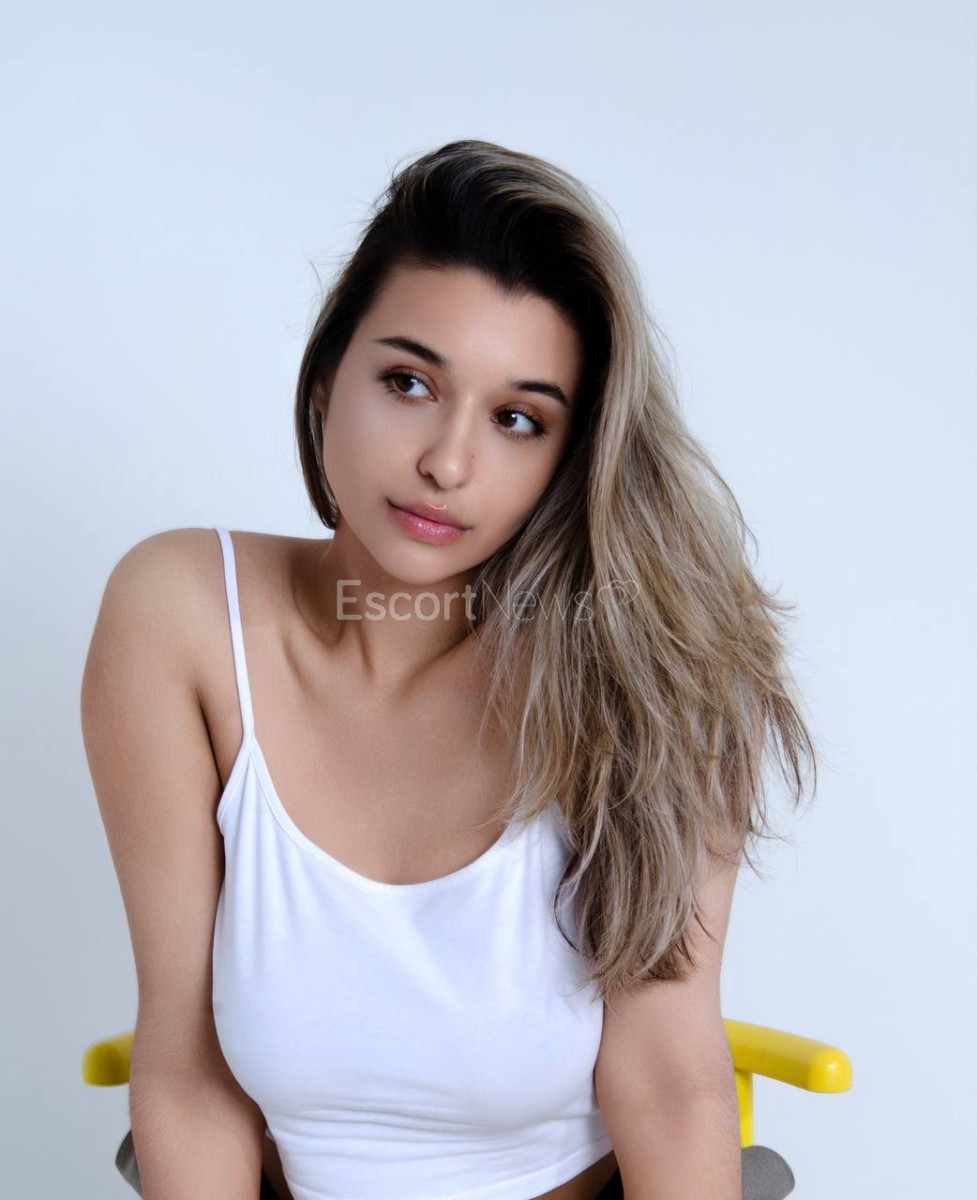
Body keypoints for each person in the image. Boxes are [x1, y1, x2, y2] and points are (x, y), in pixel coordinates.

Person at [82, 139, 810, 1200]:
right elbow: (189, 1070)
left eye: (517, 419)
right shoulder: (183, 616)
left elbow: (667, 1079)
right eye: (409, 382)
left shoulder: (649, 674)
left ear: (567, 457)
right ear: (325, 380)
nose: (447, 463)